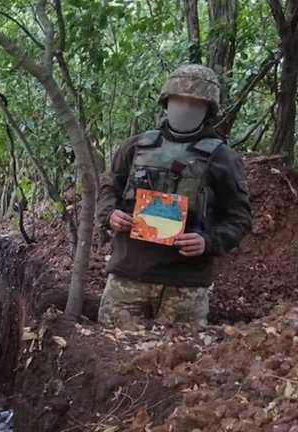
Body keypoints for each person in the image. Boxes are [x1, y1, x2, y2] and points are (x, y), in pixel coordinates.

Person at [97, 64, 251, 327]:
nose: (186, 107)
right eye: (179, 99)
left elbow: (240, 218)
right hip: (128, 278)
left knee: (179, 366)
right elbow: (108, 188)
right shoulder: (136, 146)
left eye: (195, 102)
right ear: (166, 102)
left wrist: (208, 241)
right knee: (113, 361)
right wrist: (111, 214)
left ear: (208, 109)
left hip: (185, 287)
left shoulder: (222, 158)